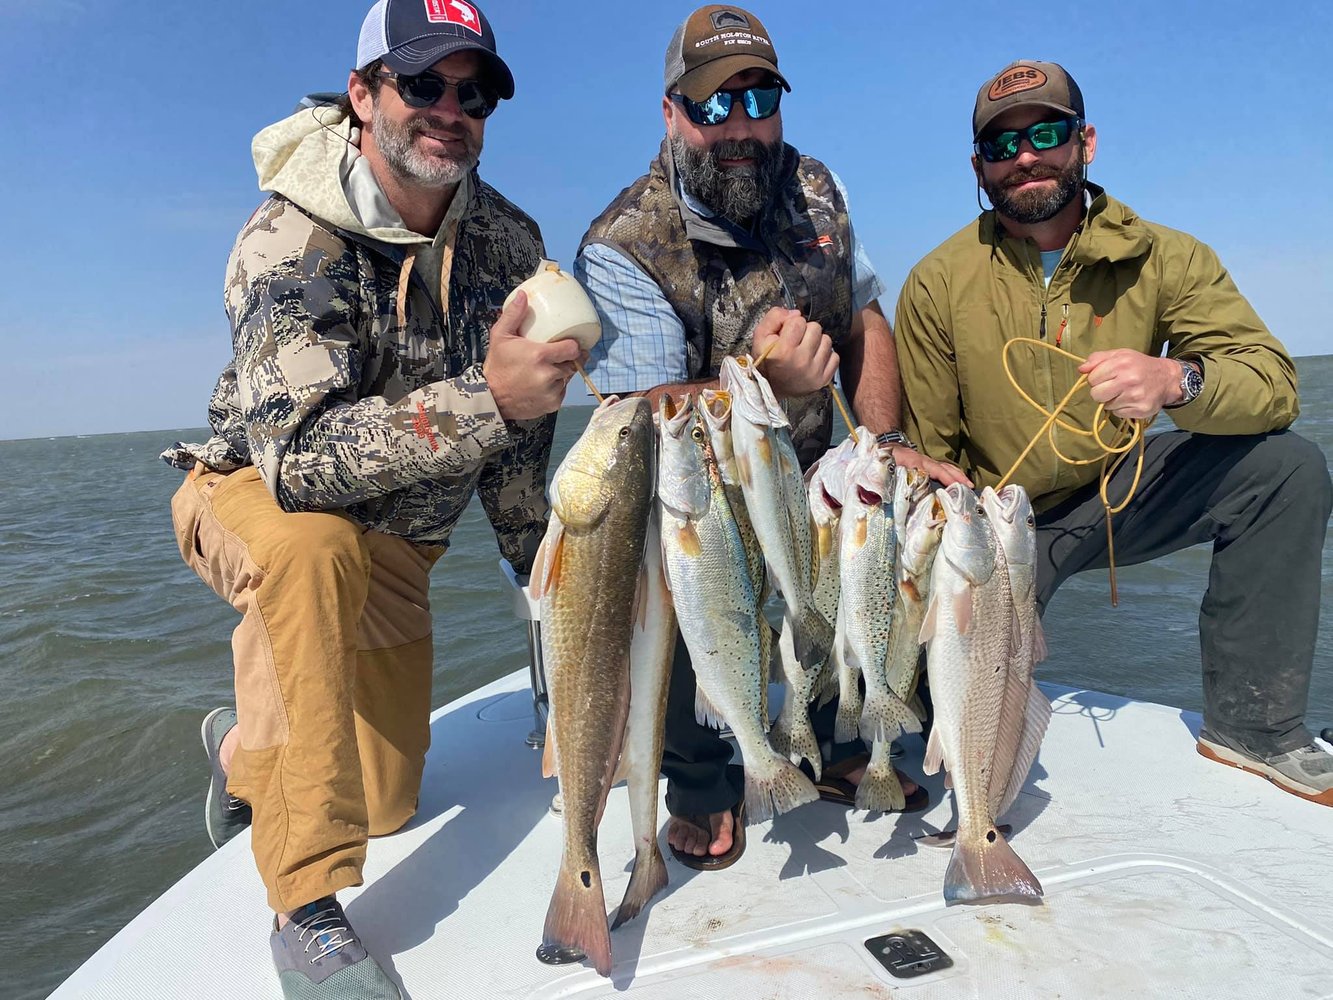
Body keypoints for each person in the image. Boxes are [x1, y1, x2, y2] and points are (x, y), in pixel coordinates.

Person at [161, 1, 582, 996]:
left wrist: (560, 607)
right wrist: (488, 396)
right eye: (422, 82)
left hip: (398, 550)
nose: (449, 108)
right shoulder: (284, 238)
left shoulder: (509, 244)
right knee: (313, 552)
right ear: (362, 96)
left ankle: (237, 755)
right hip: (251, 493)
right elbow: (300, 460)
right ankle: (303, 911)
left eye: (471, 91)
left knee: (386, 804)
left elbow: (519, 468)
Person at [575, 4, 958, 871]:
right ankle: (706, 779)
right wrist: (762, 383)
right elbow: (643, 413)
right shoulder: (623, 244)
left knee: (881, 546)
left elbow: (863, 319)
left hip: (817, 472)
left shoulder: (816, 188)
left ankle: (834, 729)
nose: (740, 127)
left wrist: (887, 443)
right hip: (698, 495)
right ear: (671, 112)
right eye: (713, 106)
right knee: (688, 582)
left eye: (760, 100)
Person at [894, 59, 1333, 808]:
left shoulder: (1168, 257)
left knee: (1286, 470)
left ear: (1084, 141)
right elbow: (930, 452)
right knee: (933, 715)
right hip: (1002, 524)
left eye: (1045, 132)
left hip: (1122, 489)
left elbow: (1272, 384)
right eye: (1002, 146)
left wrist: (1177, 383)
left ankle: (1252, 728)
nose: (1025, 155)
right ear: (978, 166)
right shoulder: (937, 282)